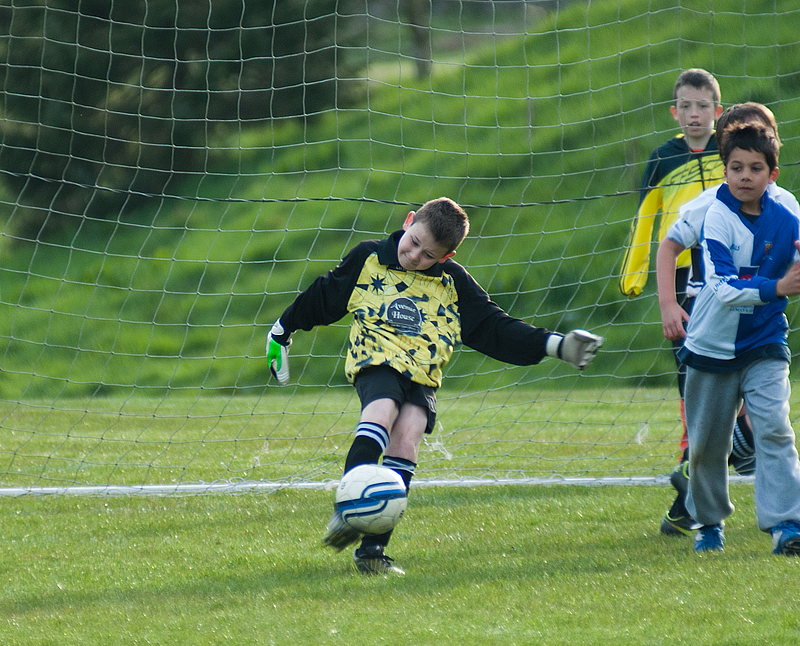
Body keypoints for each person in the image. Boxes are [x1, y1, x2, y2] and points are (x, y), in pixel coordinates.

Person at [266, 197, 603, 574]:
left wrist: (557, 346)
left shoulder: (452, 282)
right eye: (412, 242)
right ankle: (349, 508)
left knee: (407, 440)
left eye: (428, 255)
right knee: (381, 413)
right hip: (376, 360)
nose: (414, 256)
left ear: (447, 255)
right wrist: (282, 330)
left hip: (423, 375)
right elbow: (323, 295)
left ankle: (372, 554)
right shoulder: (370, 259)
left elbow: (493, 327)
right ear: (409, 221)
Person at [656, 103, 800, 536]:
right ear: (725, 163)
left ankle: (786, 525)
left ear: (772, 165)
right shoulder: (709, 209)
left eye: (758, 162)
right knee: (705, 446)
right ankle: (703, 516)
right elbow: (670, 248)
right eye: (736, 165)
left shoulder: (787, 207)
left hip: (765, 339)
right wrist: (668, 303)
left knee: (775, 428)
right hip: (711, 339)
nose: (746, 173)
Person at [619, 70, 725, 527]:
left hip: (730, 274)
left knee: (729, 375)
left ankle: (697, 483)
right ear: (674, 112)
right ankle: (694, 476)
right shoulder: (663, 158)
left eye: (703, 106)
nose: (695, 114)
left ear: (717, 112)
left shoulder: (733, 152)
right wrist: (636, 271)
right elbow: (646, 216)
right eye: (686, 106)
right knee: (693, 378)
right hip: (680, 280)